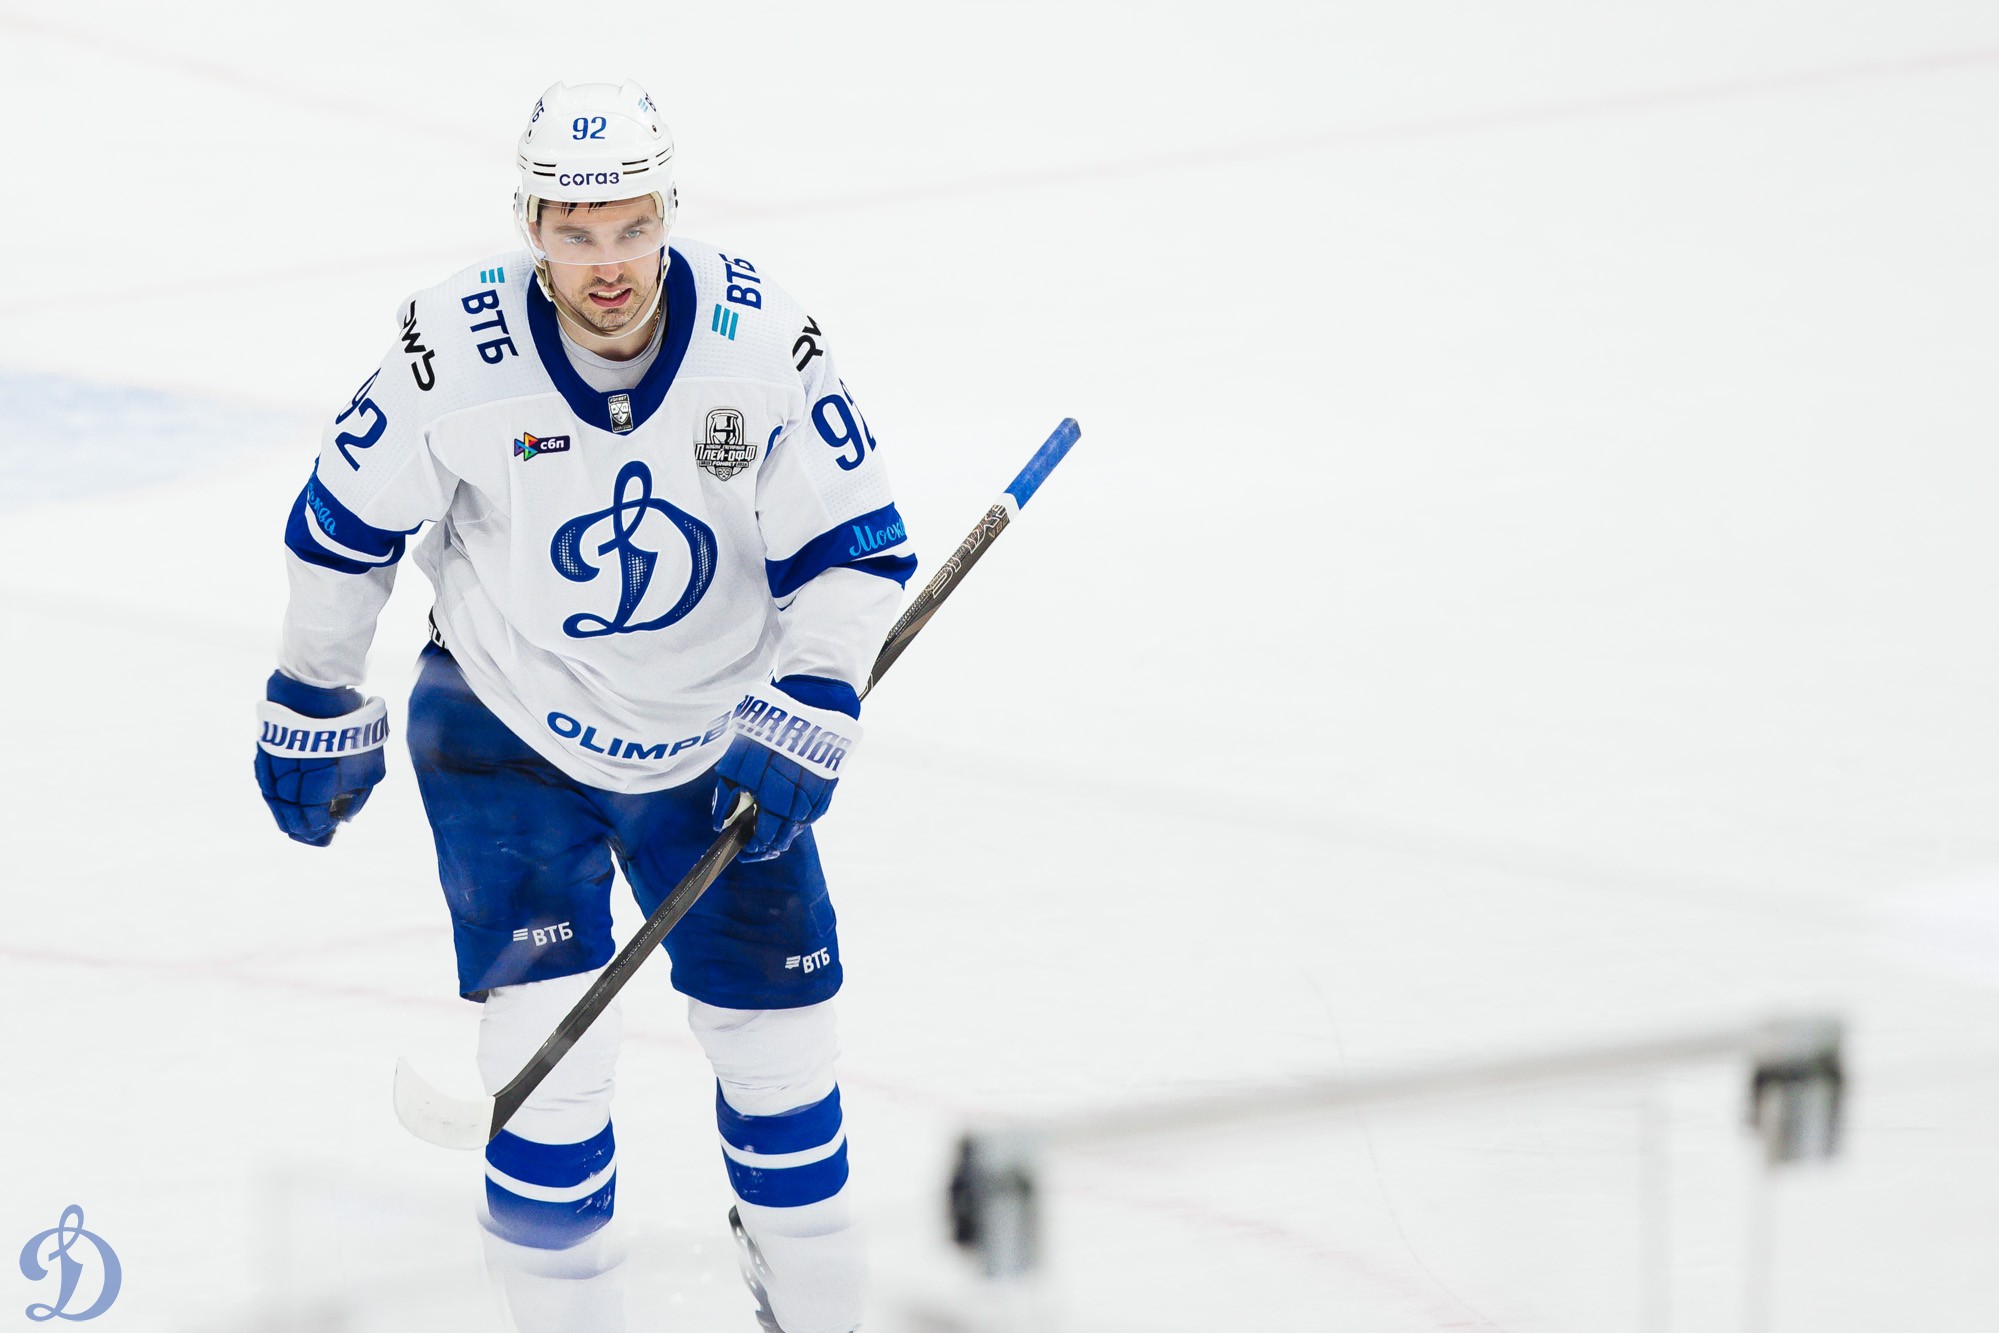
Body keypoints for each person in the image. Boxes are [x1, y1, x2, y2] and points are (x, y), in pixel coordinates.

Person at [252, 79, 913, 1333]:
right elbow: (343, 528)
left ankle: (814, 1306)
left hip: (716, 737)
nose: (609, 263)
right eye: (576, 231)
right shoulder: (451, 352)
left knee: (781, 1051)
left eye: (633, 226)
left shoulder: (761, 340)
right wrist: (314, 684)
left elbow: (853, 544)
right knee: (547, 1061)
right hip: (507, 729)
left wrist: (817, 683)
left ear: (670, 212)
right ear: (531, 226)